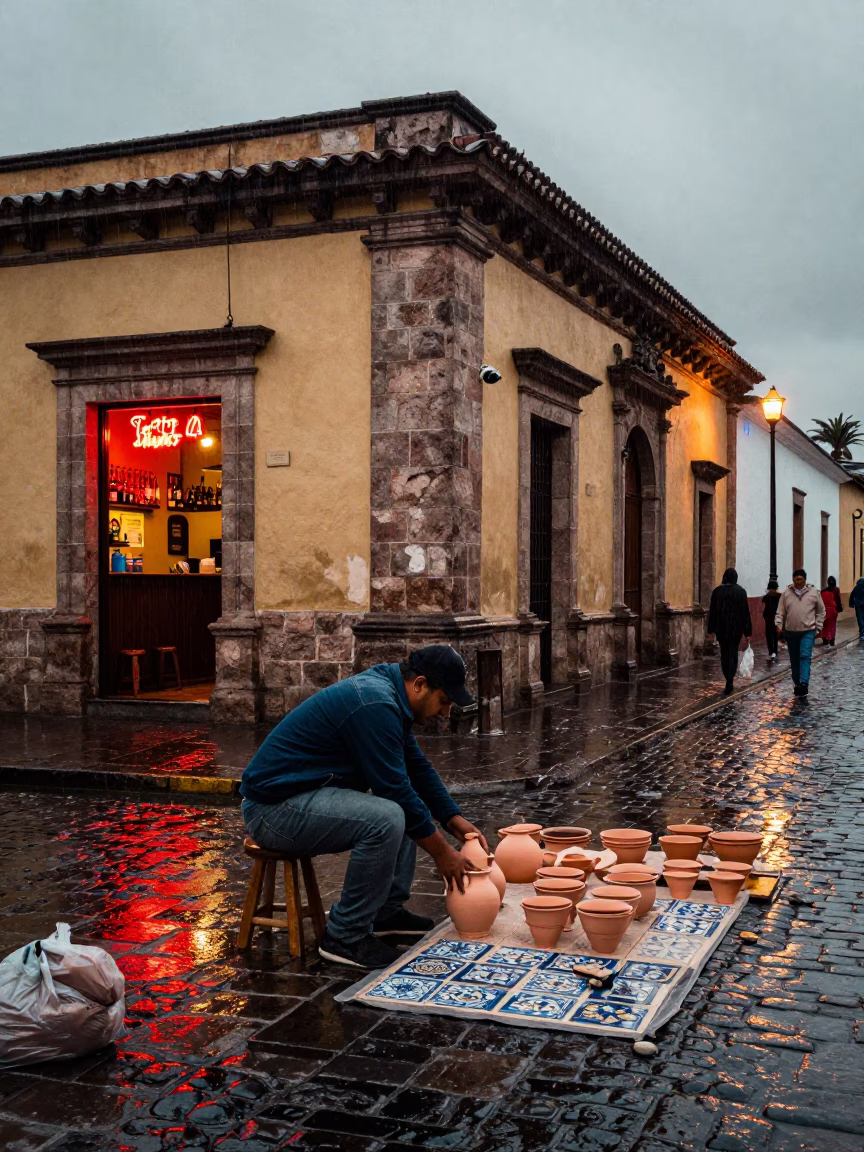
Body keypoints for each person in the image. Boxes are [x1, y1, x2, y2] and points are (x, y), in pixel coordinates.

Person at [239, 645, 487, 970]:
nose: (444, 712)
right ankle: (345, 936)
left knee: (398, 808)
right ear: (420, 684)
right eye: (444, 701)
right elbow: (395, 788)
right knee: (387, 817)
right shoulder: (375, 703)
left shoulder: (390, 698)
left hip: (303, 797)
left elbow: (416, 767)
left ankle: (384, 912)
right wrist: (442, 853)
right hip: (272, 810)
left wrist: (454, 820)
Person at [776, 569, 825, 697]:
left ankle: (804, 683)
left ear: (805, 579)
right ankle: (797, 683)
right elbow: (780, 611)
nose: (798, 581)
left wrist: (818, 627)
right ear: (793, 580)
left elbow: (821, 611)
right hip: (791, 632)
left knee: (804, 656)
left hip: (808, 631)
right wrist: (779, 624)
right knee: (794, 659)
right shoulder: (786, 594)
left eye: (800, 579)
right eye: (796, 579)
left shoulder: (814, 593)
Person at [706, 568, 753, 695]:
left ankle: (728, 677)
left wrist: (710, 630)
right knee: (733, 652)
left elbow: (713, 613)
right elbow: (745, 613)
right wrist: (747, 631)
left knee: (724, 653)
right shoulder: (741, 592)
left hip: (721, 628)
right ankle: (730, 680)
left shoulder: (717, 592)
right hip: (735, 628)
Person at [819, 575, 843, 645]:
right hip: (833, 610)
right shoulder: (836, 589)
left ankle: (825, 639)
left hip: (824, 610)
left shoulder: (823, 591)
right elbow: (838, 599)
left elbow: (820, 601)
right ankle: (831, 640)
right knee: (832, 625)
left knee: (825, 625)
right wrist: (839, 609)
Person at [762, 581, 781, 661]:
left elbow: (765, 608)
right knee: (775, 635)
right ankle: (775, 651)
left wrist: (765, 616)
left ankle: (771, 651)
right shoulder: (780, 596)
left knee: (769, 635)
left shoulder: (767, 596)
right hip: (777, 617)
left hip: (769, 618)